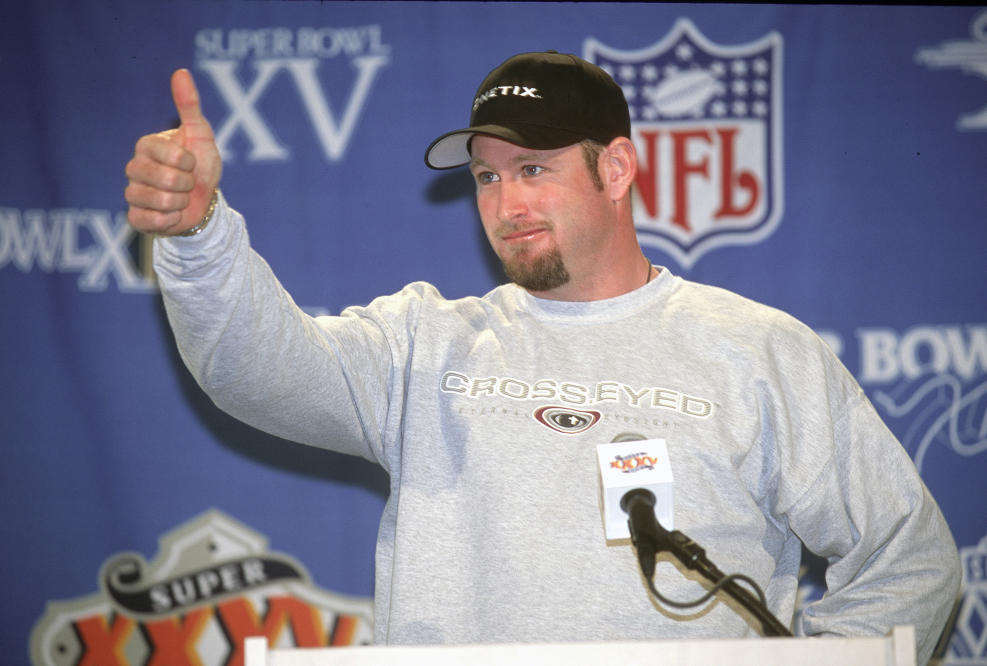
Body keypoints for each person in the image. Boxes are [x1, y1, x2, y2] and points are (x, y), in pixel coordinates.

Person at [125, 51, 960, 661]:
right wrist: (198, 237)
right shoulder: (425, 342)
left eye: (533, 168)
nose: (506, 203)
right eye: (486, 178)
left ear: (618, 167)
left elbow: (908, 560)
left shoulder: (757, 349)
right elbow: (257, 371)